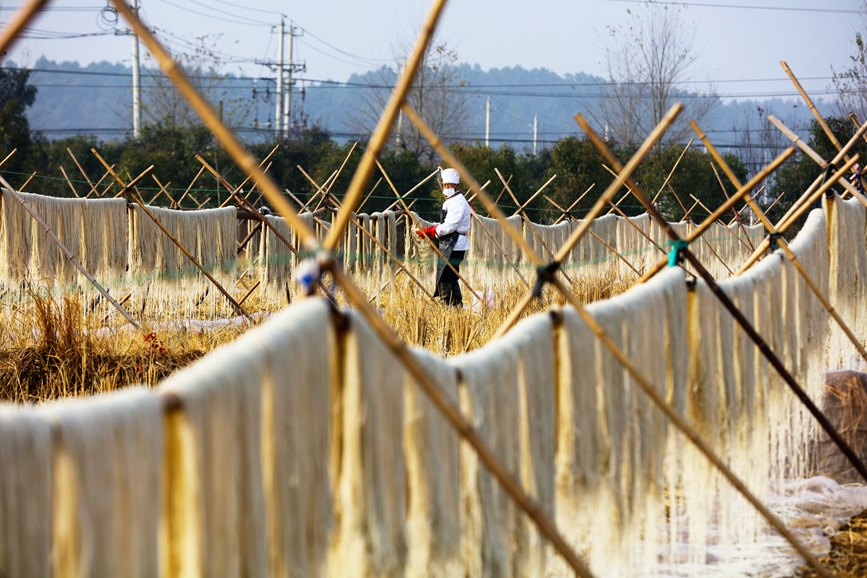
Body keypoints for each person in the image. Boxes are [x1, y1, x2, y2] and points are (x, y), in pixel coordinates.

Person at [415, 167, 472, 307]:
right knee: (450, 276)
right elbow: (446, 224)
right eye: (445, 185)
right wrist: (435, 229)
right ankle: (456, 305)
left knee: (446, 276)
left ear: (456, 186)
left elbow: (451, 225)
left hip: (455, 243)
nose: (447, 188)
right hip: (449, 242)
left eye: (449, 185)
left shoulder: (458, 202)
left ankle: (447, 304)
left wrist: (433, 230)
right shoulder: (451, 201)